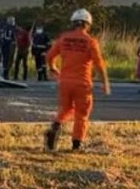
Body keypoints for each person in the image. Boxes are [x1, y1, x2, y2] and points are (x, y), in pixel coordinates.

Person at [44, 9, 110, 151]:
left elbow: (49, 56)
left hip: (65, 82)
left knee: (65, 108)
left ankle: (55, 126)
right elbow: (99, 64)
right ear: (87, 24)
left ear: (73, 23)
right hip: (82, 83)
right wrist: (105, 84)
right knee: (81, 114)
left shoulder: (64, 38)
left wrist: (53, 67)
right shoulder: (90, 42)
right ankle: (76, 145)